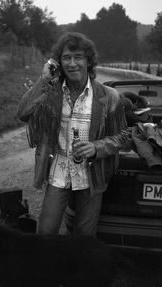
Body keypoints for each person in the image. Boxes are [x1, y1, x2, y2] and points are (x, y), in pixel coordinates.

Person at [17, 32, 129, 236]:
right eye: (66, 58)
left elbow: (122, 135)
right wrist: (44, 80)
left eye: (78, 57)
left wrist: (97, 147)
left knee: (84, 237)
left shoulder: (108, 96)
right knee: (46, 233)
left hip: (91, 174)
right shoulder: (51, 93)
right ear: (58, 63)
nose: (72, 63)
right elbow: (23, 113)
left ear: (89, 61)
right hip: (59, 170)